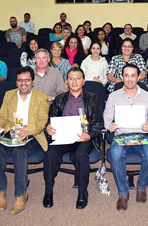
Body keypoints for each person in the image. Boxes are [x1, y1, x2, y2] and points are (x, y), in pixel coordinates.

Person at [43, 68, 104, 209]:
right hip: (62, 137)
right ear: (66, 82)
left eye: (78, 78)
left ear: (83, 81)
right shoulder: (59, 99)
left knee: (80, 155)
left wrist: (89, 135)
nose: (74, 81)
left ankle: (83, 193)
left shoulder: (93, 98)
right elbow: (50, 119)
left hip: (83, 138)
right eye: (71, 78)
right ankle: (48, 191)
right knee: (50, 153)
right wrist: (48, 127)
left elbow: (98, 123)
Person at [0, 66, 49, 214]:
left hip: (32, 134)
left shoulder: (41, 97)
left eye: (27, 80)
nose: (23, 83)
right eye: (20, 80)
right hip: (12, 131)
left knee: (19, 151)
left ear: (33, 82)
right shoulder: (9, 95)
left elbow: (42, 121)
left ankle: (20, 194)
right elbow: (2, 116)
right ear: (16, 82)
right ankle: (0, 191)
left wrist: (27, 130)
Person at [104, 64, 148, 211]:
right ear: (122, 77)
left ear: (138, 77)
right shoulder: (113, 97)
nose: (129, 79)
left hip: (142, 135)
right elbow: (106, 118)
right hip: (121, 135)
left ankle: (141, 186)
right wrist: (110, 125)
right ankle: (123, 193)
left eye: (133, 75)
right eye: (126, 75)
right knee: (114, 154)